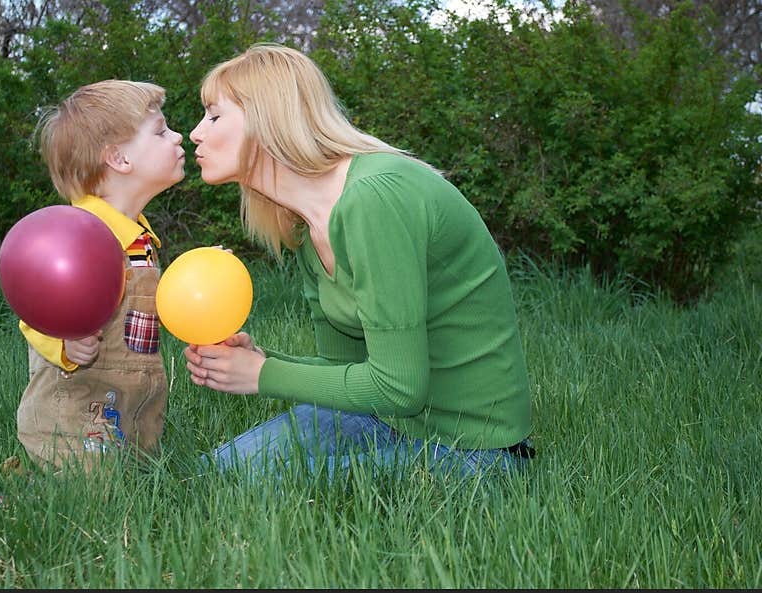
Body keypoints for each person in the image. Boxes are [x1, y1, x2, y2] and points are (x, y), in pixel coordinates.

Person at [183, 44, 534, 480]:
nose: (195, 133)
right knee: (213, 475)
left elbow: (400, 388)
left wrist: (263, 375)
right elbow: (345, 372)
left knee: (257, 484)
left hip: (474, 448)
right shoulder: (307, 225)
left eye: (214, 116)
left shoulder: (374, 200)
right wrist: (257, 360)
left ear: (268, 119)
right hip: (385, 419)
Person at [0, 80, 185, 509]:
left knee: (143, 482)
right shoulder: (76, 240)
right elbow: (34, 308)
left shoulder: (139, 237)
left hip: (132, 401)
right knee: (93, 498)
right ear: (119, 158)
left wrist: (192, 285)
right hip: (76, 410)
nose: (178, 137)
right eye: (161, 131)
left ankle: (26, 475)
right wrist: (63, 339)